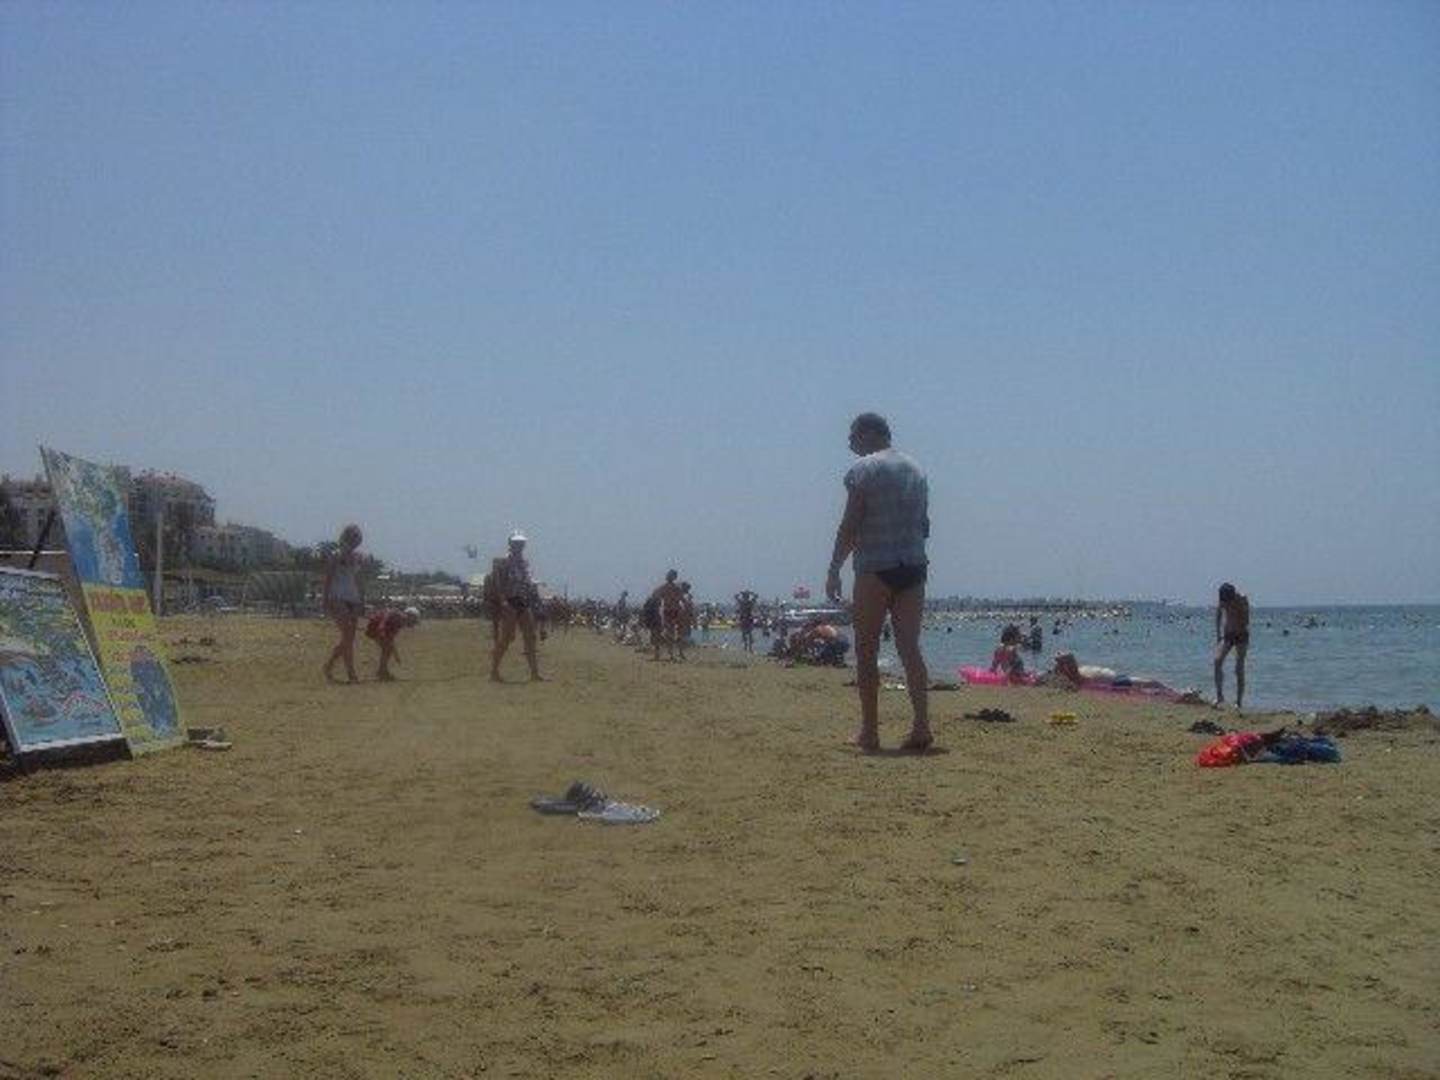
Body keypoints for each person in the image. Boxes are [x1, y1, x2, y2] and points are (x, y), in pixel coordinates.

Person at [825, 412, 932, 753]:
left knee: (866, 648)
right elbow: (924, 524)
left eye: (852, 436)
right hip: (913, 565)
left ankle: (870, 732)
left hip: (875, 565)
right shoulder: (916, 469)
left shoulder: (864, 468)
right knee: (910, 647)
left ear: (870, 433)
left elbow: (850, 524)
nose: (849, 444)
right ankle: (921, 726)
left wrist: (834, 569)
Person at [490, 532, 544, 682]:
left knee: (530, 636)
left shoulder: (524, 563)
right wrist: (503, 602)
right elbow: (498, 583)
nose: (519, 546)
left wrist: (534, 597)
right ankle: (494, 671)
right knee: (507, 638)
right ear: (511, 544)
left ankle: (534, 673)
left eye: (521, 543)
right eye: (516, 543)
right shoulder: (502, 562)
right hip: (509, 600)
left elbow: (527, 583)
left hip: (522, 601)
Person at [322, 523, 365, 683]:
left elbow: (358, 580)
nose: (354, 541)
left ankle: (329, 666)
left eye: (357, 539)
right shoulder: (335, 555)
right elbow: (328, 578)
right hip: (337, 597)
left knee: (349, 638)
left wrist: (362, 600)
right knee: (347, 635)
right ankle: (351, 673)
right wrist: (325, 599)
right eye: (352, 538)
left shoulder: (358, 557)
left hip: (353, 598)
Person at [1214, 582, 1250, 708]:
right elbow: (1218, 614)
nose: (1226, 603)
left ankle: (1238, 701)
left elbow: (1246, 621)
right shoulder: (1223, 600)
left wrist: (1237, 609)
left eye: (1227, 601)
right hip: (1228, 635)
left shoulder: (1242, 599)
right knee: (1217, 661)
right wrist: (1218, 633)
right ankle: (1219, 696)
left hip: (1241, 635)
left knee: (1238, 668)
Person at [365, 606, 420, 681]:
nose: (413, 623)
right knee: (387, 649)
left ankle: (382, 671)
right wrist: (382, 633)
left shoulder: (400, 619)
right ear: (410, 616)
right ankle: (382, 671)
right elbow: (384, 625)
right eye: (414, 619)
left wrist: (396, 655)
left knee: (387, 649)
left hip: (378, 629)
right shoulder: (398, 617)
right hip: (377, 628)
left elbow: (391, 639)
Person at [648, 570, 685, 661]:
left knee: (668, 633)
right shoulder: (674, 588)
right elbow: (682, 600)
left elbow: (654, 595)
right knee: (670, 633)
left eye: (669, 575)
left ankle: (669, 654)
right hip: (672, 611)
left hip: (669, 611)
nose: (667, 576)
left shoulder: (666, 588)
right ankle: (671, 654)